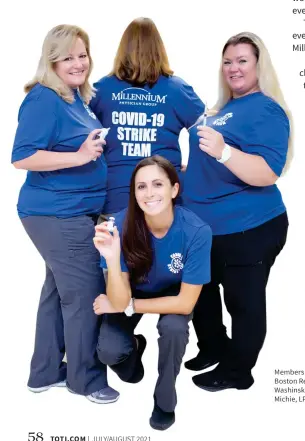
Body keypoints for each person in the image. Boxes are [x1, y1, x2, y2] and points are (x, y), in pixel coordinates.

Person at [11, 24, 119, 403]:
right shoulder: (44, 98)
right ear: (51, 61)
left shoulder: (75, 98)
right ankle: (86, 380)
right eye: (67, 57)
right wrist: (78, 156)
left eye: (82, 54)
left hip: (73, 211)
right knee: (84, 293)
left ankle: (44, 373)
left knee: (57, 293)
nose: (78, 63)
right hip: (57, 213)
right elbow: (22, 156)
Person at [183, 32, 292, 391]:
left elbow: (268, 171)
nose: (234, 68)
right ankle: (214, 347)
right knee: (201, 292)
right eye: (228, 61)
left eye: (242, 60)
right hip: (205, 227)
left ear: (260, 66)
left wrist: (223, 152)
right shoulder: (224, 108)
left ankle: (237, 372)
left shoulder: (266, 108)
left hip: (248, 227)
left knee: (243, 304)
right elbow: (209, 165)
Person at [92, 156, 212, 430]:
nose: (149, 194)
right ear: (133, 193)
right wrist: (111, 258)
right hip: (132, 288)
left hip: (172, 294)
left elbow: (184, 303)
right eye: (141, 187)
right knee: (109, 352)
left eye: (158, 184)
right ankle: (135, 348)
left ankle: (164, 400)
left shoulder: (196, 231)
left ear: (174, 189)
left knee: (172, 329)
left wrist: (128, 306)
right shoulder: (117, 227)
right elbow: (119, 298)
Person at [90, 17, 204, 217]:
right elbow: (208, 130)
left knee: (116, 248)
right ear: (159, 49)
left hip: (115, 200)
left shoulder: (101, 90)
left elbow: (76, 133)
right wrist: (192, 167)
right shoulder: (177, 90)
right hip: (163, 201)